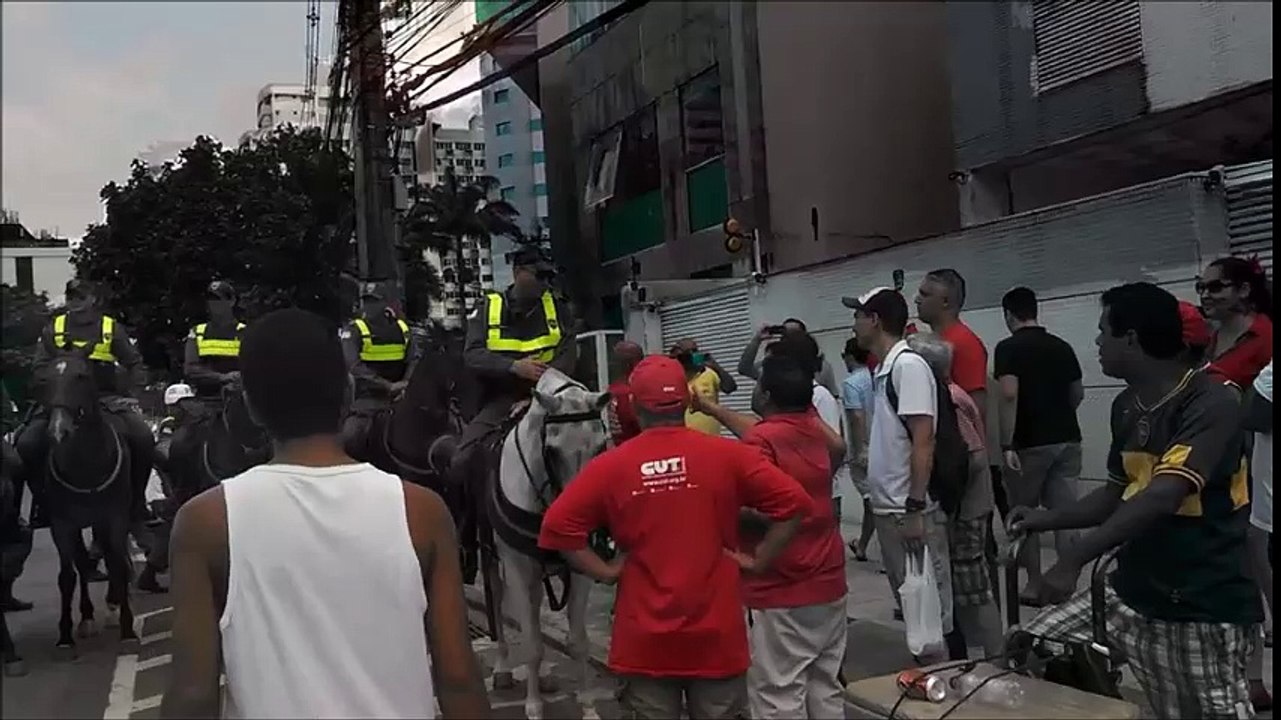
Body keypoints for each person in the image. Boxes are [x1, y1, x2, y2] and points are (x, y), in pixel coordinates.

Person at [160, 308, 489, 719]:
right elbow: (458, 679)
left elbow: (193, 694)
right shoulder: (421, 510)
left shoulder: (204, 522)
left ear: (252, 407)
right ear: (347, 393)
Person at [1010, 282, 1262, 719]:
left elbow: (1164, 493)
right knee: (1033, 650)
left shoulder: (1212, 402)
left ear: (1130, 339)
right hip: (1132, 593)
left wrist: (1074, 559)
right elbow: (1116, 494)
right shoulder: (1127, 405)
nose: (1096, 342)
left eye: (1103, 331)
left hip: (1200, 606)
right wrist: (1045, 519)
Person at [538, 355, 812, 720]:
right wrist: (760, 560)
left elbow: (557, 529)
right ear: (686, 401)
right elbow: (793, 503)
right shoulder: (728, 455)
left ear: (635, 406)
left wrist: (605, 571)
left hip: (644, 643)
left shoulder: (610, 466)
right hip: (717, 638)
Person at [695, 350, 847, 719]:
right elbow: (838, 449)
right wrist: (713, 410)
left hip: (781, 587)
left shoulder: (759, 445)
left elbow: (763, 509)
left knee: (778, 692)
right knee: (824, 687)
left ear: (764, 395)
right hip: (828, 580)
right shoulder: (816, 432)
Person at [450, 246, 576, 579]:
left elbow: (567, 354)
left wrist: (541, 393)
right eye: (539, 276)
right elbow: (473, 356)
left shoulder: (558, 308)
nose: (546, 284)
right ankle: (468, 542)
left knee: (590, 447)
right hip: (500, 399)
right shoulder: (488, 307)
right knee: (461, 461)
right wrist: (513, 367)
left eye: (549, 277)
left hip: (551, 398)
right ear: (519, 272)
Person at [842, 287, 953, 658]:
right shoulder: (886, 368)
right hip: (892, 511)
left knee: (930, 616)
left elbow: (924, 441)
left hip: (909, 513)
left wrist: (915, 508)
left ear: (874, 320)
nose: (854, 323)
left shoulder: (908, 366)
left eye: (858, 315)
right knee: (915, 614)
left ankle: (944, 690)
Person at [15, 278, 154, 530]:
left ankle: (137, 503)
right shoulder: (52, 328)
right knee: (27, 444)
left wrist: (132, 394)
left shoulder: (110, 328)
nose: (75, 302)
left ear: (92, 299)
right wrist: (50, 393)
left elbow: (134, 363)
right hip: (61, 401)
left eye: (81, 297)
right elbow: (39, 368)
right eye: (71, 297)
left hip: (105, 400)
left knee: (143, 437)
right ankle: (42, 504)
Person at [907, 332, 1003, 658]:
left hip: (968, 509)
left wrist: (949, 502)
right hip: (960, 505)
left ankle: (997, 660)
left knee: (974, 589)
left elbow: (973, 459)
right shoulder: (943, 396)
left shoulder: (949, 399)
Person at [993, 286, 1085, 605]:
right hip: (1068, 438)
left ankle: (1033, 585)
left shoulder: (1008, 348)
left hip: (1029, 443)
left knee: (1025, 515)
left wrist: (1006, 442)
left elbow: (1008, 393)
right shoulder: (1062, 347)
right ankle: (1068, 583)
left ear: (1008, 315)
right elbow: (1077, 394)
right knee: (1066, 514)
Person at [339, 283, 421, 456]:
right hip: (367, 401)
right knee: (350, 437)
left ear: (386, 303)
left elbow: (414, 359)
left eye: (374, 301)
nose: (369, 306)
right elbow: (354, 366)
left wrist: (406, 383)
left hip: (402, 399)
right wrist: (387, 386)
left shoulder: (403, 329)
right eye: (366, 301)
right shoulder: (355, 330)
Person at [1199, 256, 1273, 390]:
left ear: (1243, 290)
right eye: (1201, 287)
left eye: (1215, 287)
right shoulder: (1209, 336)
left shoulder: (1266, 337)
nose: (1204, 295)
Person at [737, 319, 840, 409]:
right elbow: (744, 368)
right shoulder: (773, 366)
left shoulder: (821, 366)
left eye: (794, 333)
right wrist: (757, 339)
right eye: (784, 333)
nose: (788, 338)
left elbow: (833, 399)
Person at [841, 337, 877, 561]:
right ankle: (862, 544)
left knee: (872, 500)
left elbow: (856, 416)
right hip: (883, 445)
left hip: (864, 448)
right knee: (873, 499)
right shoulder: (875, 376)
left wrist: (859, 449)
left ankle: (881, 549)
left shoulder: (852, 383)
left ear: (850, 357)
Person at [182, 281, 245, 405]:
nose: (213, 304)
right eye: (211, 300)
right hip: (205, 402)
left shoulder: (245, 332)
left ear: (231, 301)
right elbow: (190, 369)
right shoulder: (198, 332)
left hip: (238, 403)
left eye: (218, 300)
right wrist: (223, 378)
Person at [671, 338, 737, 435]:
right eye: (687, 352)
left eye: (695, 350)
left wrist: (716, 366)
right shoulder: (671, 377)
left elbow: (730, 387)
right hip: (684, 442)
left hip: (711, 440)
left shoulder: (708, 373)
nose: (692, 355)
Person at [605, 341, 644, 445]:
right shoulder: (627, 392)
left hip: (622, 447)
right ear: (630, 363)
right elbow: (640, 423)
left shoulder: (613, 388)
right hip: (637, 448)